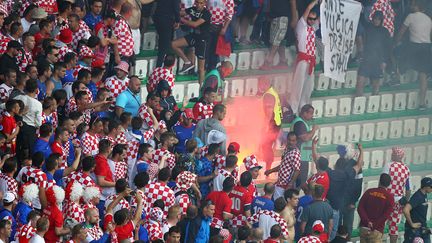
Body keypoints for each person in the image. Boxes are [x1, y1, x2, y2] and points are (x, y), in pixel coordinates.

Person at [395, 0, 431, 110]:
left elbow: (401, 32)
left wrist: (396, 42)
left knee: (397, 54)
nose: (410, 6)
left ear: (417, 7)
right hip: (426, 47)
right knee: (423, 75)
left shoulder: (410, 16)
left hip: (414, 47)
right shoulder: (428, 19)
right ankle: (422, 103)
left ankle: (396, 77)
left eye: (412, 5)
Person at [326, 143, 363, 241]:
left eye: (341, 152)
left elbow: (358, 185)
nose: (339, 153)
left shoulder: (353, 165)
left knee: (347, 227)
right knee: (338, 225)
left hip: (347, 202)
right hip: (340, 202)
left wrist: (353, 202)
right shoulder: (341, 163)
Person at [289, 0, 319, 114]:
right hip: (303, 60)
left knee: (308, 86)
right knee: (298, 85)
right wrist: (315, 2)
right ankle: (293, 109)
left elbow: (321, 17)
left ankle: (303, 108)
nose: (311, 20)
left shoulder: (313, 28)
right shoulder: (301, 26)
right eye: (310, 18)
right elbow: (307, 10)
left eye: (313, 19)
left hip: (311, 61)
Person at [173, 0, 211, 83]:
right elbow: (180, 13)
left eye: (201, 3)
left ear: (205, 4)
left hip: (203, 40)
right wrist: (175, 13)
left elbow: (195, 24)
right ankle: (187, 62)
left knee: (201, 69)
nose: (199, 5)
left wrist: (181, 19)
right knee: (173, 44)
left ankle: (201, 89)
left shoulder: (207, 13)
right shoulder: (192, 9)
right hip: (194, 36)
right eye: (197, 2)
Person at [355, 11, 391, 96]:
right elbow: (361, 19)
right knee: (360, 81)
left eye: (378, 19)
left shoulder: (385, 31)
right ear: (372, 19)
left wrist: (384, 61)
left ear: (381, 20)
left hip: (378, 61)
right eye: (375, 19)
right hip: (366, 59)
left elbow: (387, 48)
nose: (376, 21)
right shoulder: (368, 27)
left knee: (376, 86)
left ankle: (373, 102)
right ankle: (358, 100)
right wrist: (360, 10)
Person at [383, 147, 410, 243]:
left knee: (380, 224)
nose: (391, 155)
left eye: (392, 153)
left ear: (395, 155)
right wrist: (405, 202)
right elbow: (408, 190)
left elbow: (382, 182)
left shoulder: (388, 166)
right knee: (394, 228)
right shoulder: (406, 169)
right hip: (399, 201)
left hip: (386, 199)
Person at [357, 173, 394, 243]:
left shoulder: (369, 192)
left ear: (379, 181)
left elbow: (360, 208)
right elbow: (386, 216)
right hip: (377, 230)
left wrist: (367, 222)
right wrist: (374, 225)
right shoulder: (390, 198)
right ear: (389, 184)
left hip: (364, 227)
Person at [260, 0, 296, 70]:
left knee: (276, 40)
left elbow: (293, 2)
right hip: (275, 15)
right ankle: (283, 61)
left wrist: (294, 17)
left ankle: (269, 61)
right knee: (280, 40)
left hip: (283, 16)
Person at [265, 131, 300, 199]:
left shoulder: (295, 154)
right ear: (287, 140)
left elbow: (297, 170)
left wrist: (290, 184)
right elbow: (282, 165)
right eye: (289, 140)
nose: (291, 142)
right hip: (280, 182)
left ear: (296, 141)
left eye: (293, 140)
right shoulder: (286, 149)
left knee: (279, 204)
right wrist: (270, 171)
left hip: (286, 185)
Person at [291, 104, 318, 187]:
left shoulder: (302, 123)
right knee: (300, 182)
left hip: (303, 156)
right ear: (304, 113)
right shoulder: (299, 123)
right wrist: (314, 130)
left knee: (301, 181)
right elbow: (305, 138)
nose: (312, 115)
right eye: (310, 113)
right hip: (300, 157)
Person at [403, 177, 432, 243]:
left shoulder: (424, 195)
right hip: (414, 230)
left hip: (422, 228)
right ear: (426, 187)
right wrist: (412, 224)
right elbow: (405, 210)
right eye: (431, 187)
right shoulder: (417, 196)